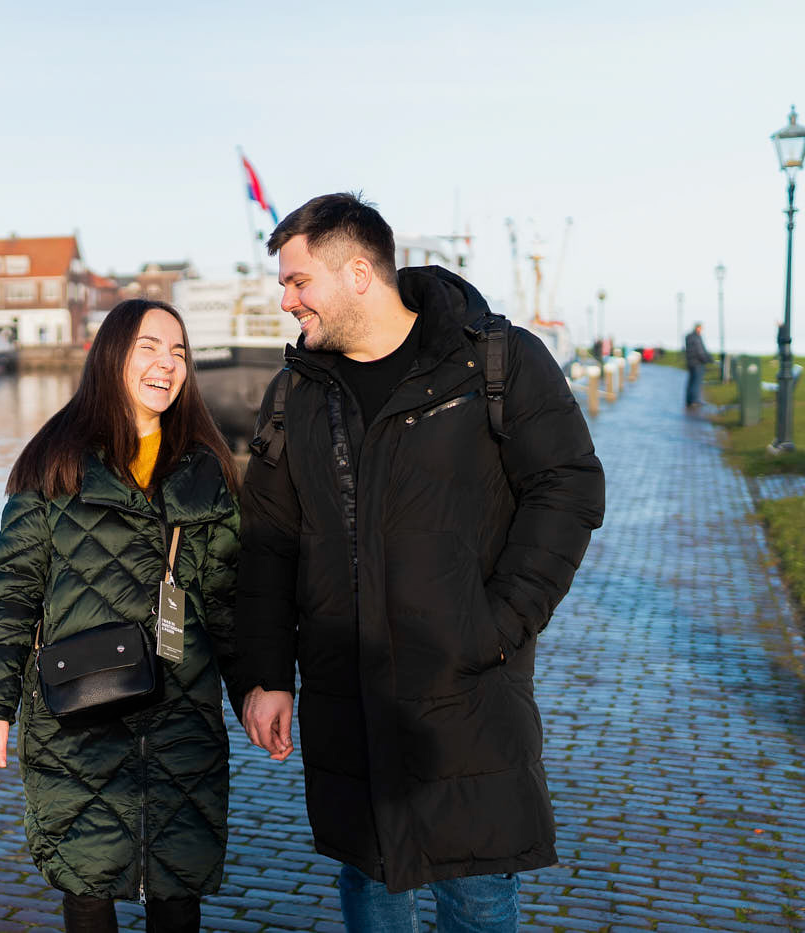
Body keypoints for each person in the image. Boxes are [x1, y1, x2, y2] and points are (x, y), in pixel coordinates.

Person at [236, 193, 605, 931]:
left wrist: (498, 624)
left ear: (359, 274)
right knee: (369, 882)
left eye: (298, 281)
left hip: (467, 696)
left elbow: (567, 488)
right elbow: (269, 542)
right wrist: (268, 675)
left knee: (476, 892)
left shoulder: (497, 361)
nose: (285, 301)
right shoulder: (295, 394)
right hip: (345, 698)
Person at [0, 298, 242, 933]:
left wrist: (258, 690)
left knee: (179, 889)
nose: (166, 364)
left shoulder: (206, 470)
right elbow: (13, 593)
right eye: (149, 347)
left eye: (178, 352)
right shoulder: (54, 463)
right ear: (112, 356)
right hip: (77, 712)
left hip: (182, 710)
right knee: (86, 885)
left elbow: (227, 599)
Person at [685, 322, 713, 408]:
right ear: (698, 328)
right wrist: (707, 359)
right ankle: (694, 401)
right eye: (700, 328)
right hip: (698, 363)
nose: (701, 330)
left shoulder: (689, 337)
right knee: (696, 382)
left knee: (691, 382)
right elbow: (700, 351)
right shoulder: (696, 337)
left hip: (691, 362)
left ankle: (689, 400)